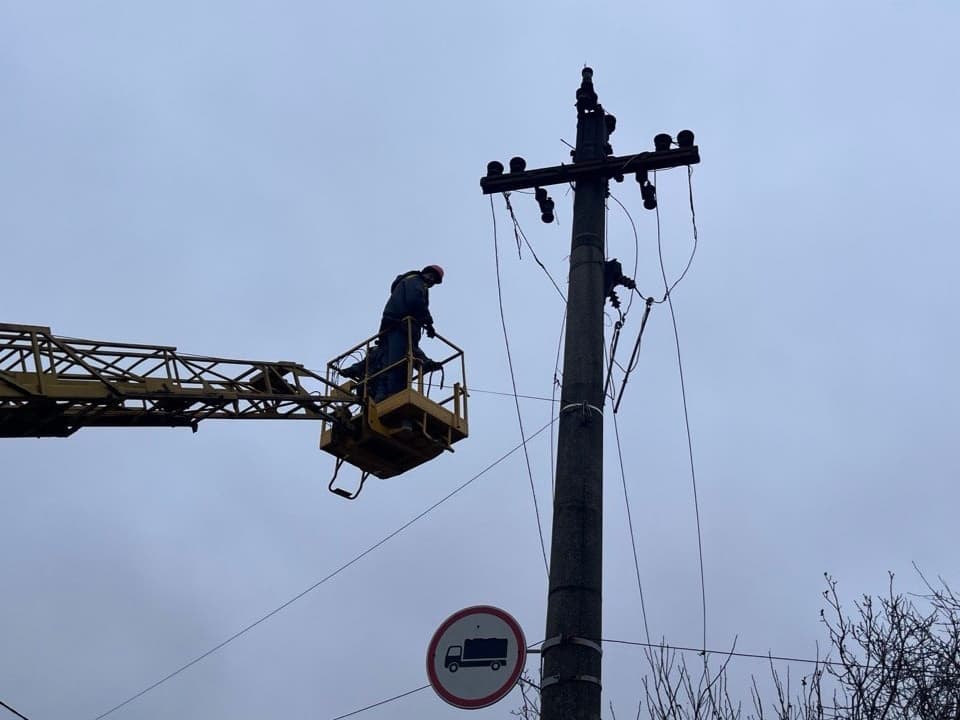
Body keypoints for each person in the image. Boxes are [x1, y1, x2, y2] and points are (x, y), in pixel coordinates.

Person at [341, 265, 444, 400]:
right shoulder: (416, 282)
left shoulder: (408, 282)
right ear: (424, 273)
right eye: (431, 276)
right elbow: (416, 300)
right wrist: (428, 322)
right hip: (402, 324)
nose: (431, 281)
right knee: (399, 361)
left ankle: (360, 374)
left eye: (434, 281)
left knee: (384, 355)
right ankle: (392, 394)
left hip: (393, 323)